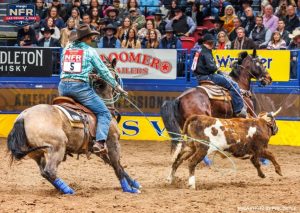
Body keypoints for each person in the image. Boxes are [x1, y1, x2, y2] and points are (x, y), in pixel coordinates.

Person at [59, 24, 128, 154]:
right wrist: (117, 86)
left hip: (63, 87)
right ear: (86, 38)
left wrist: (88, 73)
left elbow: (67, 68)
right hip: (79, 88)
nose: (92, 39)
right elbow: (104, 71)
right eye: (91, 37)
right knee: (104, 113)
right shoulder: (90, 51)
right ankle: (100, 142)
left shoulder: (66, 49)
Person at [193, 33, 247, 118]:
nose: (214, 44)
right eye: (213, 43)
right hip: (208, 76)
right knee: (234, 85)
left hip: (199, 77)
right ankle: (239, 110)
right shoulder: (206, 52)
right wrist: (217, 67)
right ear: (209, 42)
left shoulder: (198, 51)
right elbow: (211, 67)